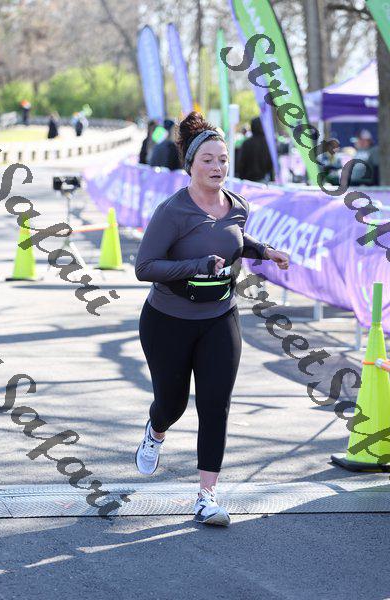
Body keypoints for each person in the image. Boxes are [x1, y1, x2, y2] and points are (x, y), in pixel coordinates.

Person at [134, 111, 289, 527]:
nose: (218, 166)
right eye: (208, 160)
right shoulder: (172, 211)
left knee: (216, 405)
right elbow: (145, 266)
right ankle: (156, 430)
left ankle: (206, 497)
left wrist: (265, 251)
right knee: (171, 404)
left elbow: (235, 239)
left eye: (223, 159)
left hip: (220, 316)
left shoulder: (238, 206)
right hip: (167, 320)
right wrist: (197, 265)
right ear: (191, 165)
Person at [238, 117, 273, 182]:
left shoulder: (246, 143)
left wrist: (241, 177)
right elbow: (270, 164)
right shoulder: (267, 144)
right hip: (263, 180)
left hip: (247, 181)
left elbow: (241, 163)